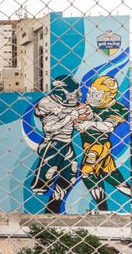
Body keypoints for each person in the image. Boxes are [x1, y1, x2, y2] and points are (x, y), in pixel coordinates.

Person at [31, 75, 86, 213]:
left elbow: (82, 122)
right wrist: (69, 117)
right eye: (73, 93)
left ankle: (55, 203)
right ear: (61, 93)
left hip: (68, 142)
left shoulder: (76, 104)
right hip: (52, 143)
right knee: (47, 176)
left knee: (71, 174)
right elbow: (49, 128)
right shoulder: (47, 103)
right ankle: (40, 185)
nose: (76, 96)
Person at [76, 75, 130, 211]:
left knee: (87, 173)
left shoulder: (119, 108)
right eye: (91, 91)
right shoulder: (86, 106)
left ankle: (103, 208)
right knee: (112, 176)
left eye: (96, 93)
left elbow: (108, 126)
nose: (91, 95)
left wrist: (88, 124)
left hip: (99, 145)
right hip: (87, 146)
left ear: (108, 96)